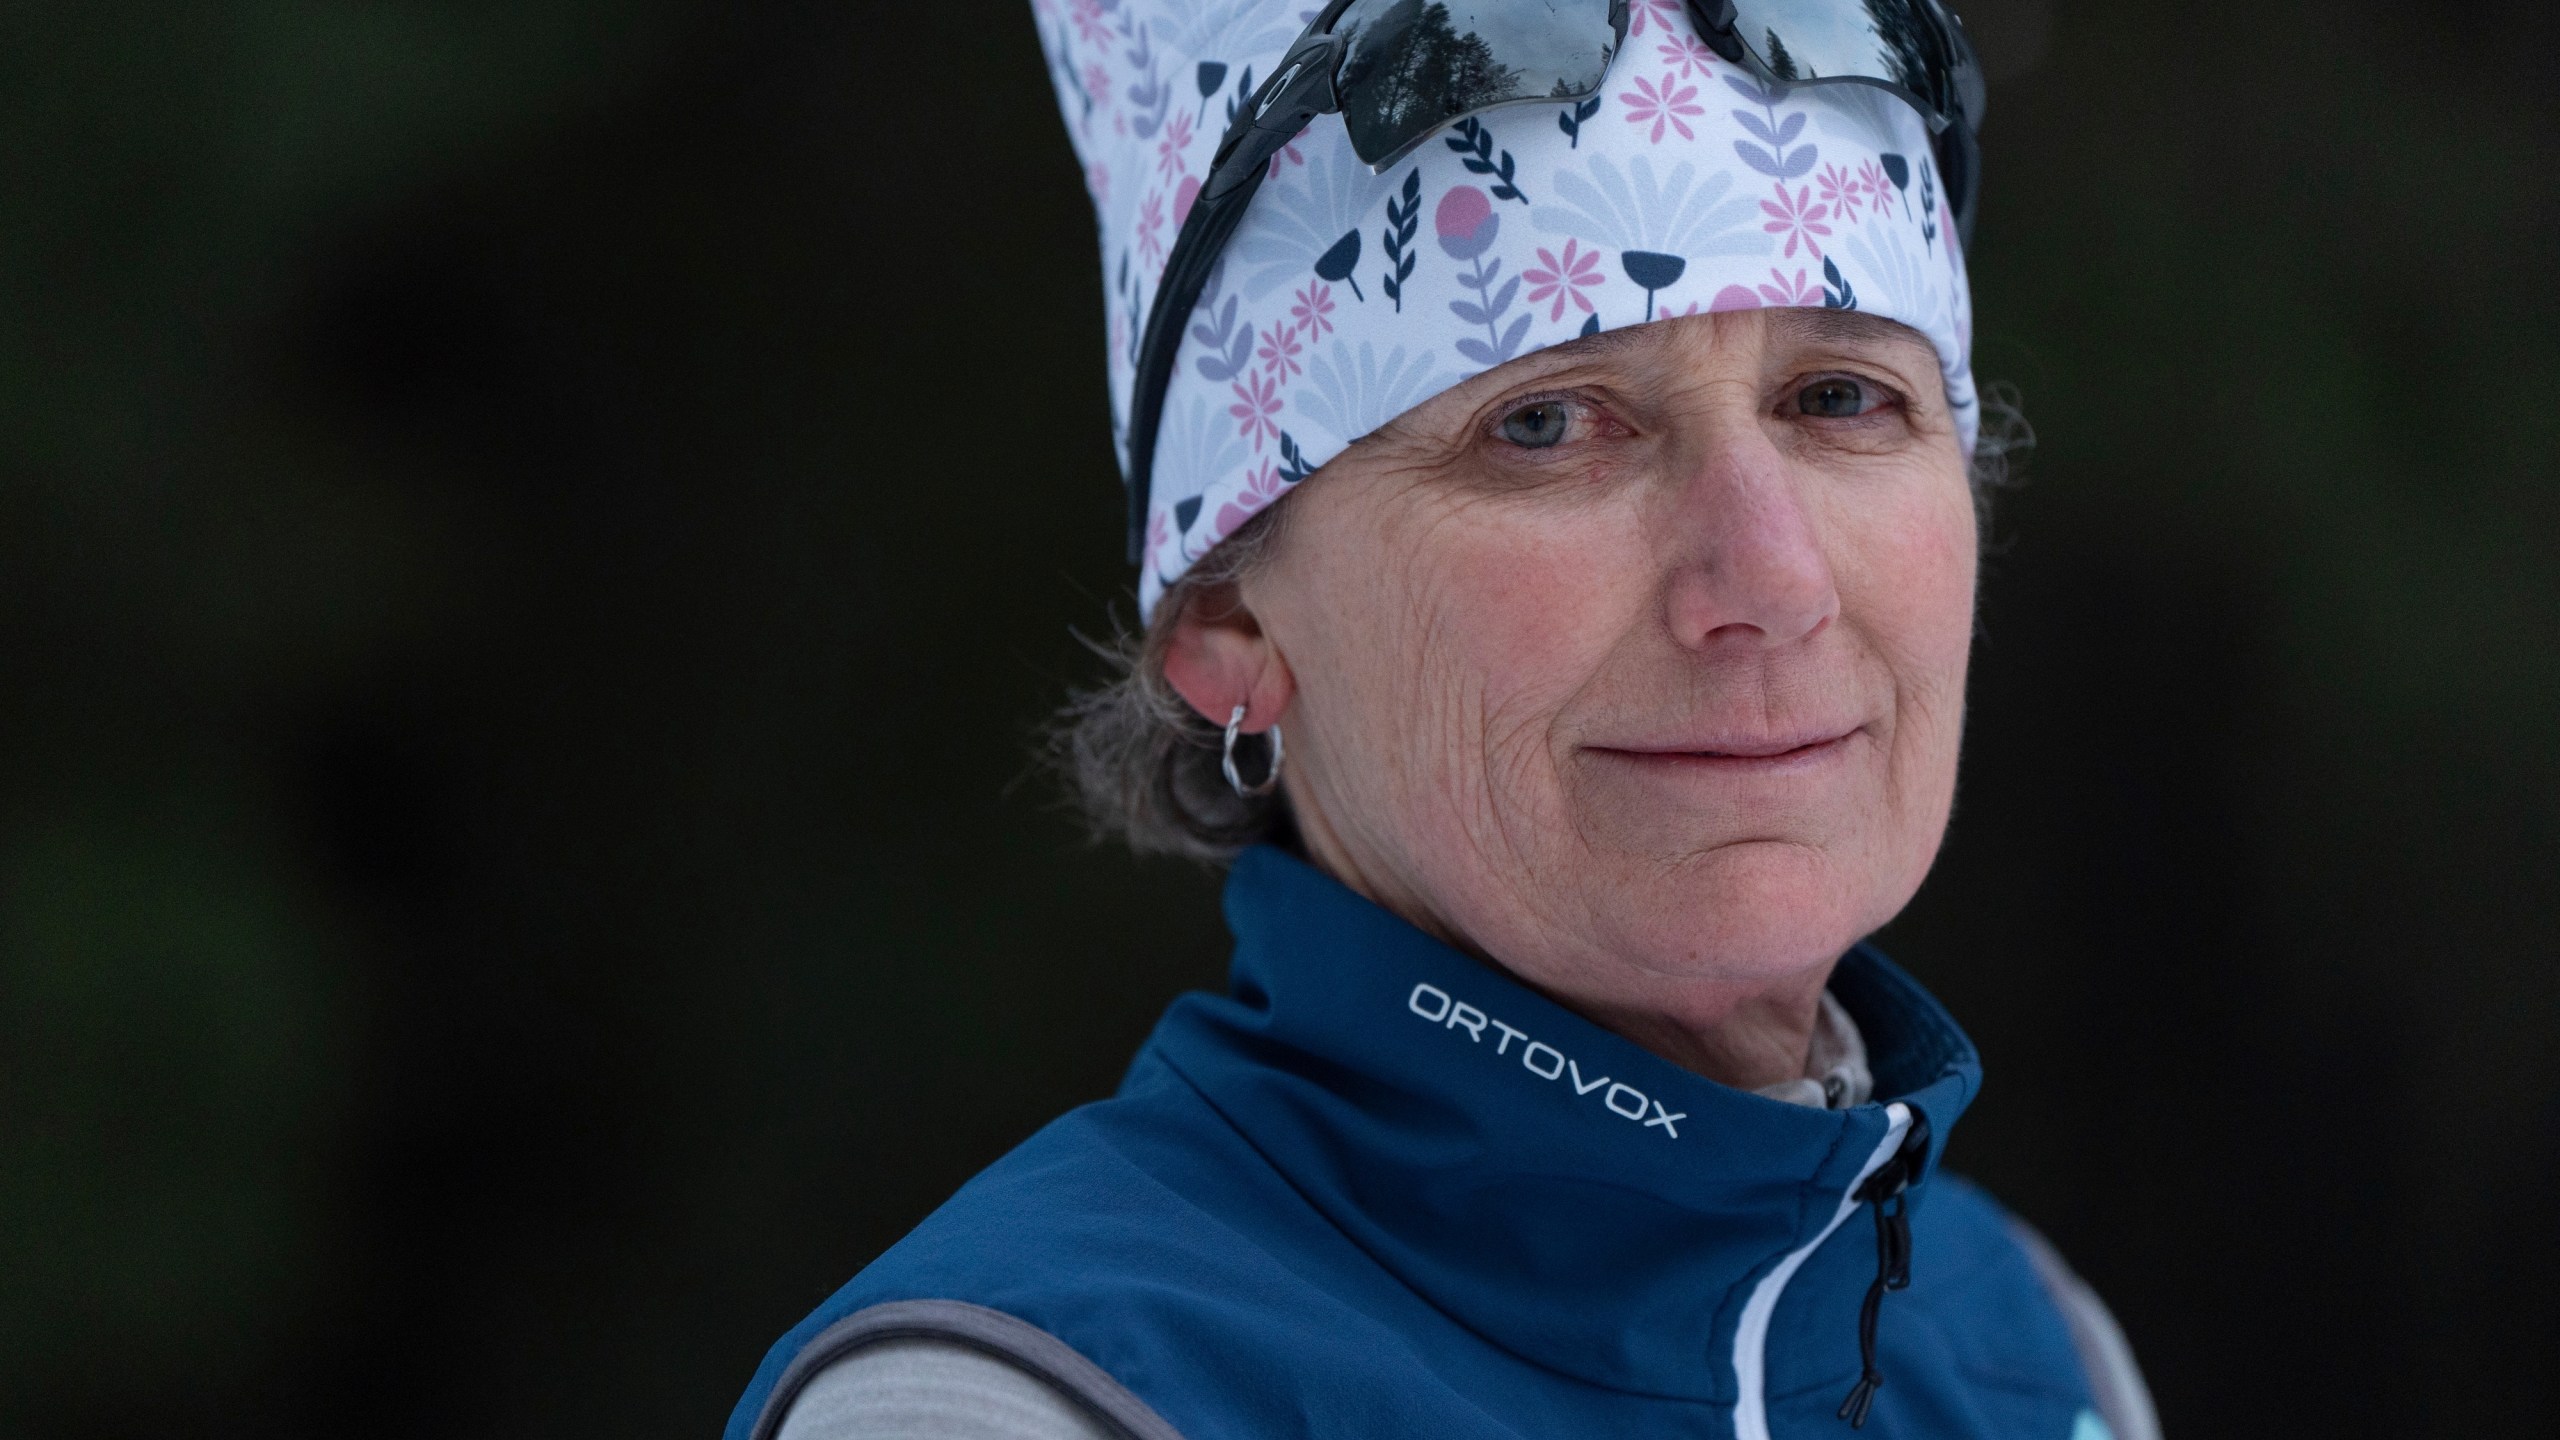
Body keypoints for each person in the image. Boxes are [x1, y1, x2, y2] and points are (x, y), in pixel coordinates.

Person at [726, 1, 2159, 1436]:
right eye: (1545, 424)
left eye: (1842, 398)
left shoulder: (2030, 1353)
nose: (1769, 582)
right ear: (1230, 619)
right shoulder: (1030, 1400)